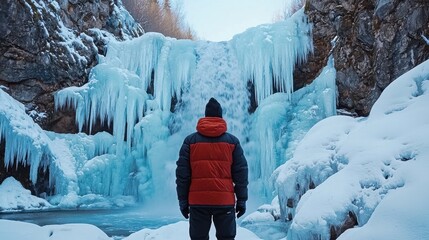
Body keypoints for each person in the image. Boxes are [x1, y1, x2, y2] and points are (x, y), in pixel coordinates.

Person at [176, 97, 249, 240]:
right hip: (224, 201)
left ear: (205, 116)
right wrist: (242, 200)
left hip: (198, 202)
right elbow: (241, 173)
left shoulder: (190, 141)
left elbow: (182, 175)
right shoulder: (232, 142)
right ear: (220, 117)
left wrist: (183, 201)